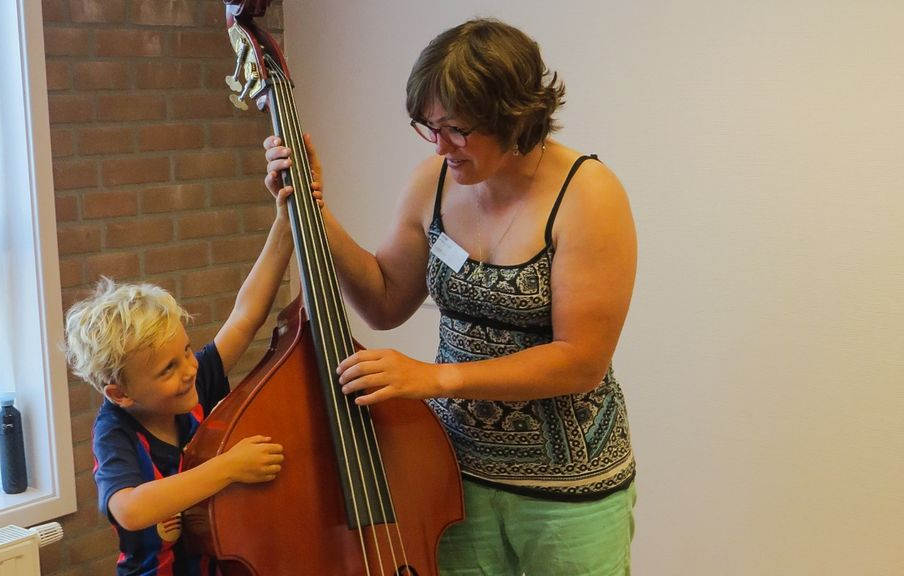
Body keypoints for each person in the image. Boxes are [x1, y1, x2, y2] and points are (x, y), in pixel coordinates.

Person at [263, 17, 637, 576]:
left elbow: (580, 361)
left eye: (457, 129)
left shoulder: (588, 194)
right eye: (428, 126)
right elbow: (386, 301)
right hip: (452, 478)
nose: (441, 146)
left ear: (513, 116)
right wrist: (314, 212)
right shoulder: (431, 182)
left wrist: (436, 378)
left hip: (567, 488)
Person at [63, 184, 299, 575]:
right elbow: (131, 508)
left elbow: (246, 316)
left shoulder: (192, 383)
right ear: (120, 393)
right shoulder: (115, 431)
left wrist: (283, 225)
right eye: (167, 370)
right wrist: (229, 467)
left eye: (186, 352)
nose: (189, 369)